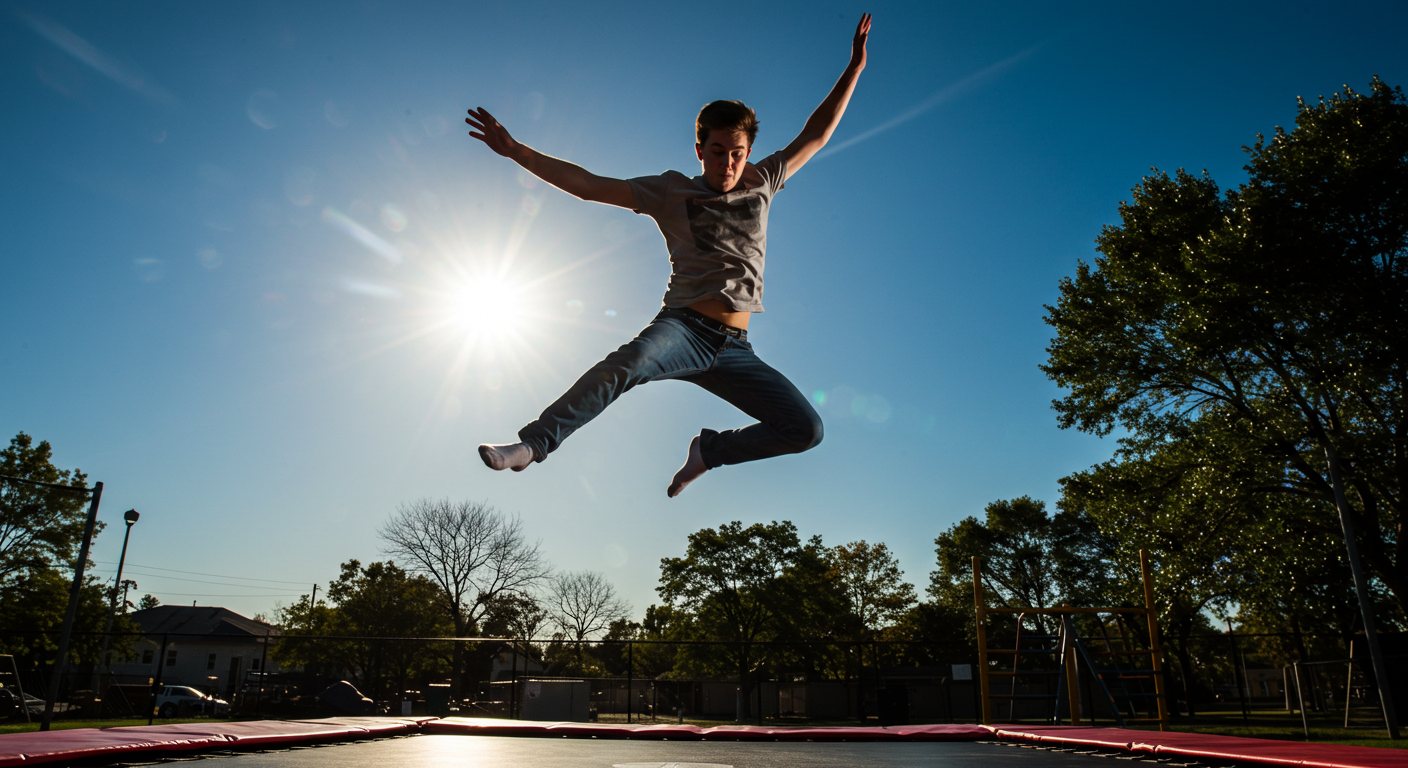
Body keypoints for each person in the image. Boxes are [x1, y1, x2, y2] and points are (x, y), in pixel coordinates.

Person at [467, 13, 872, 497]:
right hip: (683, 328)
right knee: (627, 365)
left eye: (738, 153)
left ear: (749, 152)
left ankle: (709, 452)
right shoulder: (669, 191)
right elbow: (592, 187)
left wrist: (855, 68)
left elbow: (817, 133)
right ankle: (533, 445)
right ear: (700, 150)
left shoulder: (764, 181)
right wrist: (519, 153)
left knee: (806, 430)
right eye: (718, 151)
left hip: (736, 350)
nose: (728, 163)